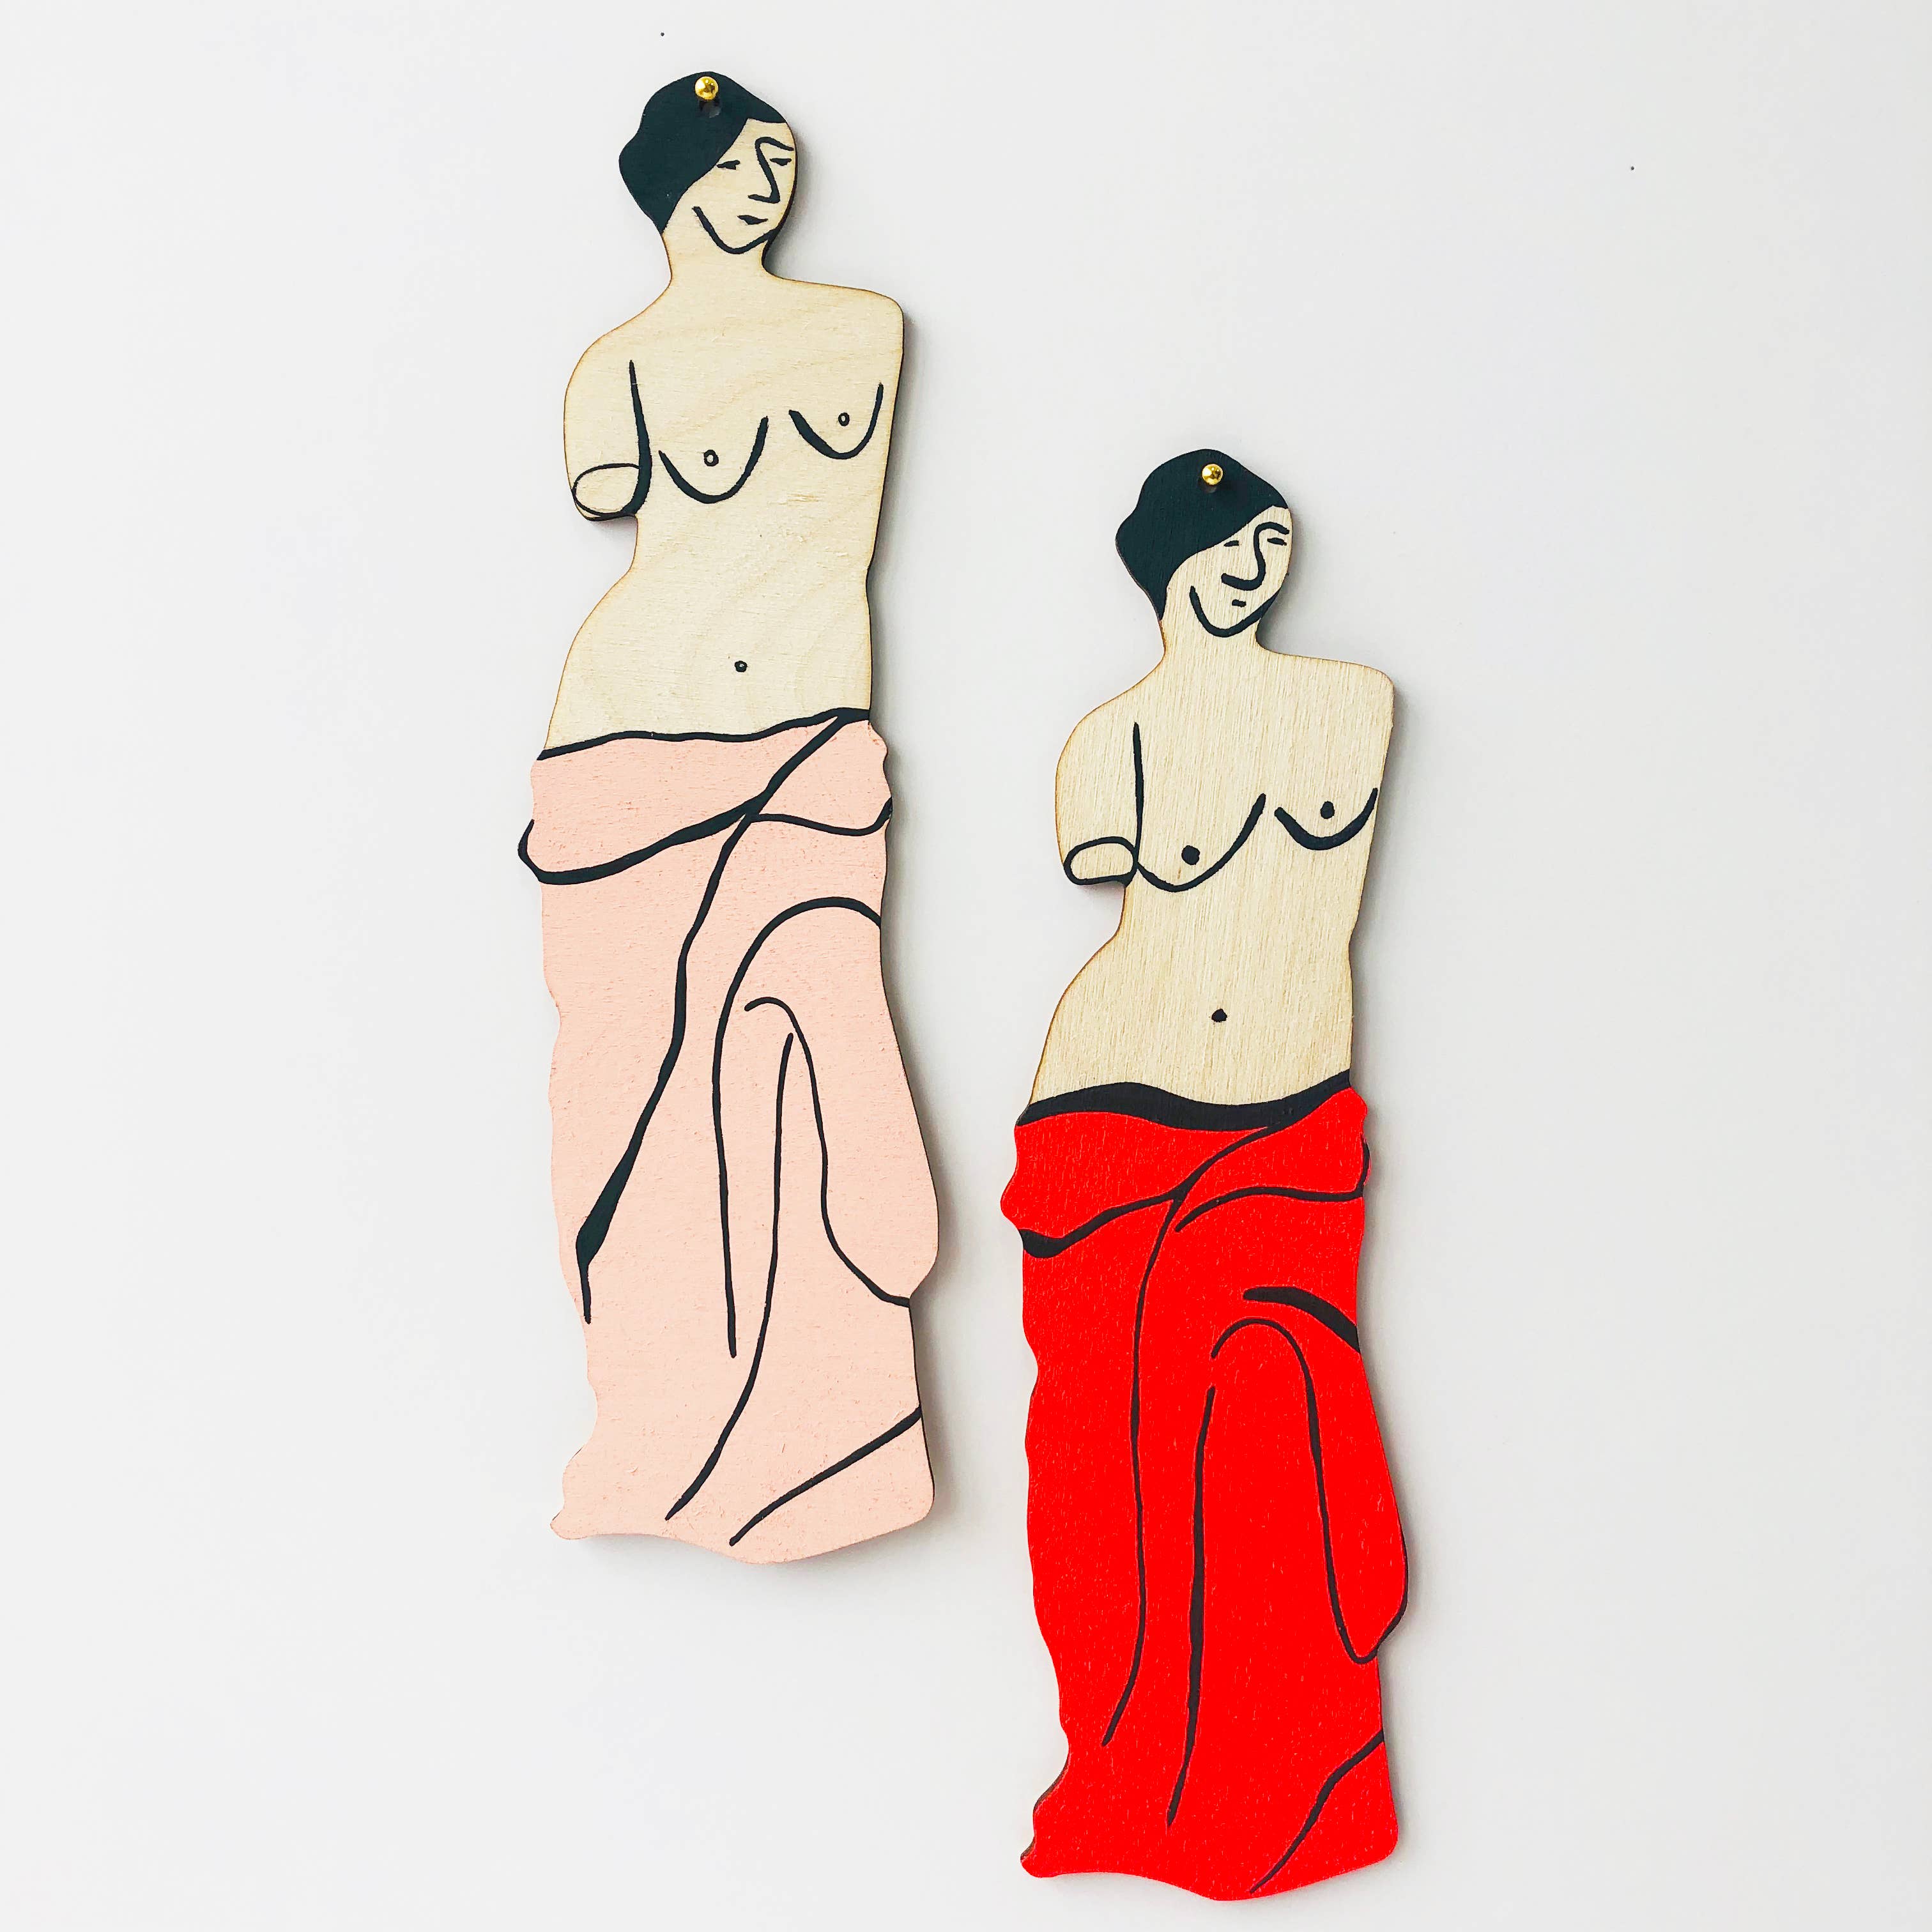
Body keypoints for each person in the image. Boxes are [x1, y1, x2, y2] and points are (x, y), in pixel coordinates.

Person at [523, 73, 935, 1562]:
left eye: (773, 154)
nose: (761, 180)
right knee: (631, 1100)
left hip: (811, 743)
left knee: (807, 1058)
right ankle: (654, 1438)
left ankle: (828, 1453)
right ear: (673, 191)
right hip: (624, 752)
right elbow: (609, 499)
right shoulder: (617, 366)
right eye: (731, 163)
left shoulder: (863, 331)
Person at [1002, 451, 1408, 1897]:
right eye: (1224, 541)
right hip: (1110, 1119)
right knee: (1109, 1464)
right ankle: (1122, 1781)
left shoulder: (1354, 706)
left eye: (1271, 539)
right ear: (1166, 563)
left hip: (1290, 1125)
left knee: (1276, 1422)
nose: (1250, 564)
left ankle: (1297, 1796)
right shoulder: (1109, 741)